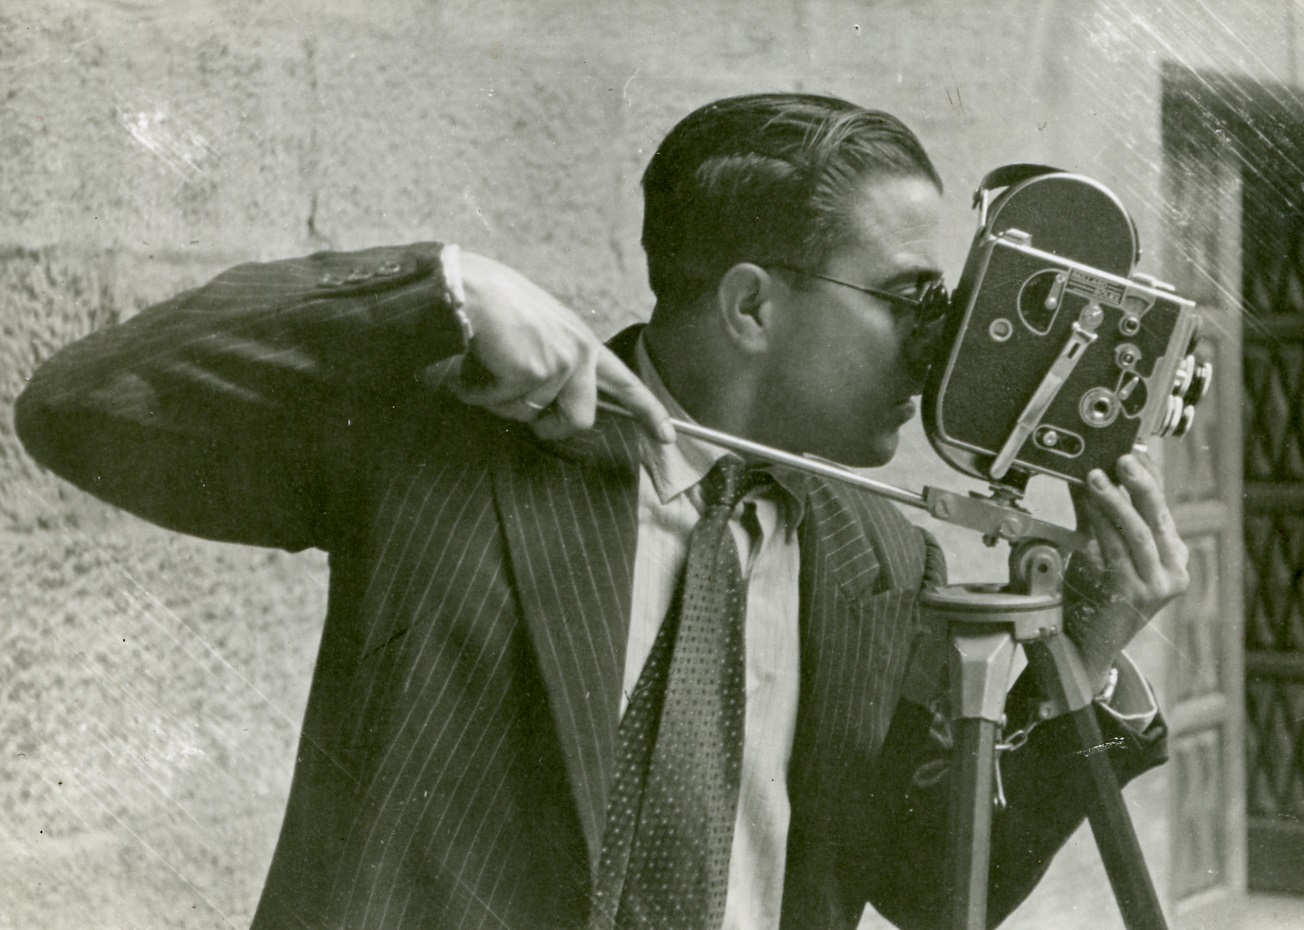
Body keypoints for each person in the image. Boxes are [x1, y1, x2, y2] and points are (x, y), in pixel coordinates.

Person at [14, 93, 1185, 930]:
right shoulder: (452, 445)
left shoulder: (875, 550)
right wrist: (446, 289)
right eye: (909, 300)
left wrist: (1081, 651)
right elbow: (83, 407)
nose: (939, 347)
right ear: (750, 306)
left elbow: (933, 891)